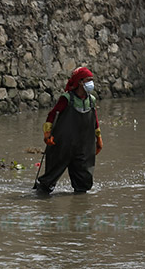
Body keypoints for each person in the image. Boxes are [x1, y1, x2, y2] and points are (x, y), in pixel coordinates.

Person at [34, 66, 103, 194]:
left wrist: (99, 139)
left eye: (91, 80)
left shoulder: (91, 100)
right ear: (80, 82)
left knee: (83, 181)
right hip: (63, 144)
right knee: (50, 179)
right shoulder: (66, 98)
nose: (91, 83)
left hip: (82, 146)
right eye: (88, 80)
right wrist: (47, 134)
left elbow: (95, 121)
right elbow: (52, 115)